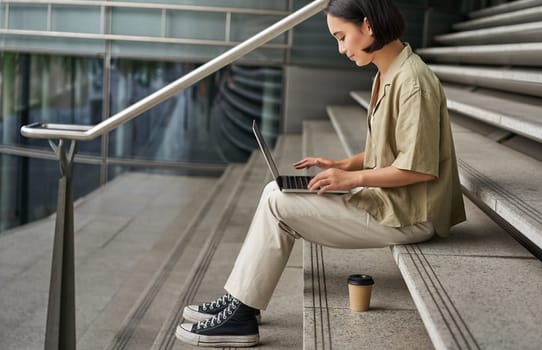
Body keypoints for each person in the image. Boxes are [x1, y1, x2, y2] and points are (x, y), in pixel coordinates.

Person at [174, 0, 465, 347]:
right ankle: (240, 301)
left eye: (342, 37)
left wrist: (352, 180)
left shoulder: (413, 82)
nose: (341, 49)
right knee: (273, 191)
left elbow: (418, 168)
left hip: (410, 215)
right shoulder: (389, 71)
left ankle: (241, 313)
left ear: (368, 26)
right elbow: (394, 151)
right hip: (393, 202)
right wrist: (343, 165)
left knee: (278, 205)